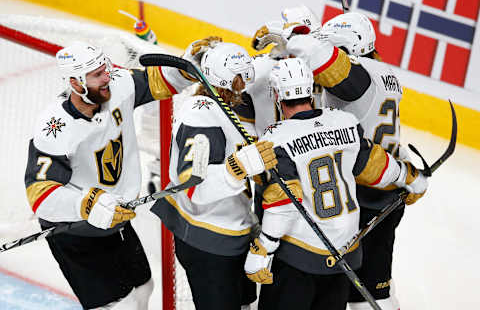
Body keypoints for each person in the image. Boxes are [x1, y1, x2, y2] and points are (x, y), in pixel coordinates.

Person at [243, 58, 427, 310]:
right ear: (312, 90)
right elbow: (376, 167)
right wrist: (410, 177)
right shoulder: (344, 122)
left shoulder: (276, 139)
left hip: (299, 257)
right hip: (344, 254)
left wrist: (263, 247)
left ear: (277, 95)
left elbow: (283, 203)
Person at [24, 41, 192, 310]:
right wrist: (87, 204)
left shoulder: (117, 83)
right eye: (97, 74)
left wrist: (187, 67)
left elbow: (158, 82)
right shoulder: (54, 128)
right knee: (118, 306)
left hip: (116, 217)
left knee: (144, 288)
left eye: (105, 69)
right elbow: (40, 194)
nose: (108, 77)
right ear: (75, 82)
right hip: (75, 230)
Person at [265, 9, 412, 310]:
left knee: (358, 293)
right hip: (386, 189)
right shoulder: (386, 74)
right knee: (373, 284)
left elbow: (313, 53)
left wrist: (294, 34)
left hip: (362, 194)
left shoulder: (356, 77)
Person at [150, 42, 278, 310]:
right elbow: (192, 185)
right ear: (227, 79)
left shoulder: (227, 109)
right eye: (242, 76)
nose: (247, 82)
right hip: (208, 242)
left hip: (233, 232)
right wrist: (237, 168)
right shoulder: (201, 114)